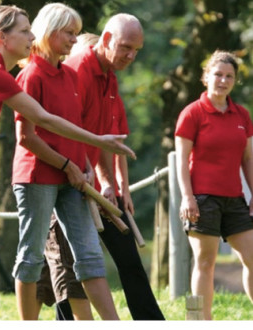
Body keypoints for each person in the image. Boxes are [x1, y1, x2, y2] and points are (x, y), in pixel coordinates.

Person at [49, 14, 165, 320]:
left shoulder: (109, 77)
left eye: (136, 50)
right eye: (126, 47)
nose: (131, 56)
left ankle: (151, 322)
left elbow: (102, 139)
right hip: (62, 178)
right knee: (66, 270)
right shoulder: (77, 71)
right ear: (106, 39)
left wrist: (109, 182)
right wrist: (86, 175)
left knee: (125, 260)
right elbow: (67, 132)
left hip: (90, 181)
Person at [10, 3, 119, 320]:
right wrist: (67, 166)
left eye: (75, 33)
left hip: (73, 177)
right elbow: (27, 137)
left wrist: (84, 164)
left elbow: (76, 129)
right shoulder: (30, 75)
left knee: (89, 254)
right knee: (30, 256)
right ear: (49, 31)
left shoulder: (70, 75)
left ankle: (113, 324)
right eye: (68, 32)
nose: (74, 39)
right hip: (37, 177)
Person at [175, 50, 253, 320]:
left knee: (252, 257)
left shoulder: (242, 115)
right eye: (218, 74)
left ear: (235, 81)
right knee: (205, 263)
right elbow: (181, 161)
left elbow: (248, 160)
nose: (223, 80)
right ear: (206, 77)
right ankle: (201, 323)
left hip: (235, 199)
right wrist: (187, 197)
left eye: (229, 76)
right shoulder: (191, 113)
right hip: (202, 199)